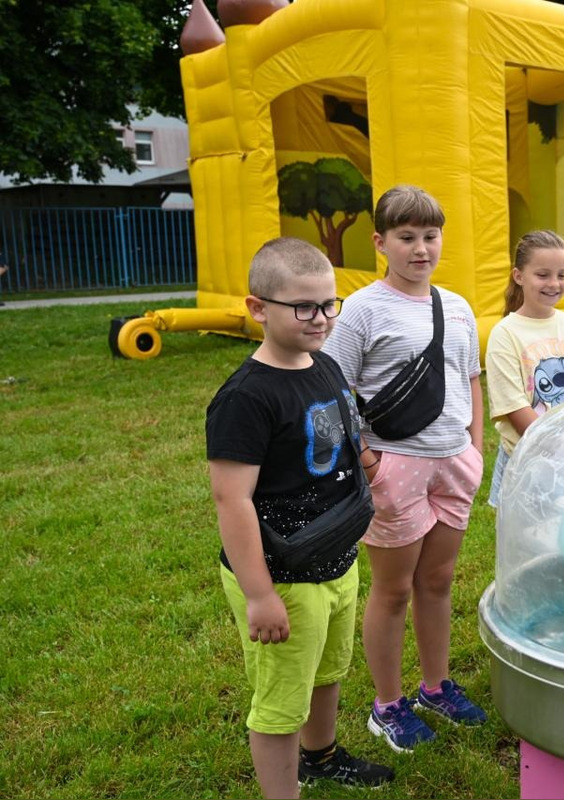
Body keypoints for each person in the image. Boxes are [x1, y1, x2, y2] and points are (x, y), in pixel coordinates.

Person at [206, 237, 393, 798]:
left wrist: (363, 459)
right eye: (304, 307)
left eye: (330, 304)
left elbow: (342, 423)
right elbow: (232, 500)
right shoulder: (246, 398)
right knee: (282, 701)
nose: (322, 319)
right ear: (258, 308)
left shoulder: (326, 363)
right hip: (282, 573)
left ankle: (322, 757)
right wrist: (260, 595)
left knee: (327, 673)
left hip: (336, 558)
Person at [322, 184, 487, 754]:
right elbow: (333, 389)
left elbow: (471, 379)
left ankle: (435, 687)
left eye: (430, 236)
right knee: (393, 591)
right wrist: (367, 460)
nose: (421, 249)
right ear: (380, 242)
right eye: (407, 237)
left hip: (453, 465)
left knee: (438, 582)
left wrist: (476, 449)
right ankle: (387, 705)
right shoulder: (362, 309)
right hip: (394, 468)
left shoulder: (458, 307)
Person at [485, 230, 564, 506]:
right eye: (542, 275)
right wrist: (559, 447)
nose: (554, 283)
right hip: (530, 460)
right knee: (531, 541)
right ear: (518, 276)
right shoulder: (505, 334)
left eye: (562, 274)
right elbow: (515, 406)